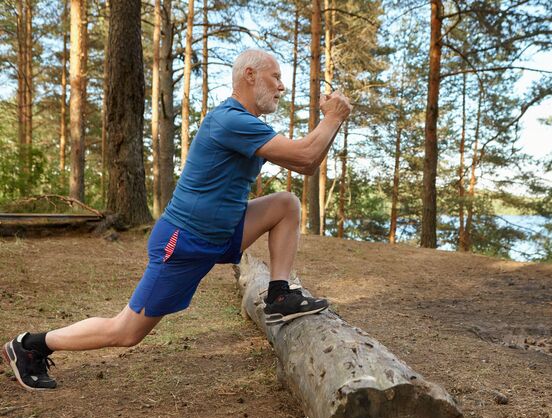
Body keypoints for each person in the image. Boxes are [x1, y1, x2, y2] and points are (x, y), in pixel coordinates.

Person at [2, 49, 352, 391]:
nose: (281, 87)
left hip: (222, 232)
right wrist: (332, 117)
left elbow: (307, 165)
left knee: (286, 204)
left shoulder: (248, 123)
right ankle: (32, 344)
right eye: (275, 77)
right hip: (185, 241)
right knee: (127, 331)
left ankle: (279, 296)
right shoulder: (230, 119)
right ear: (249, 75)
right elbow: (306, 153)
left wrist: (332, 120)